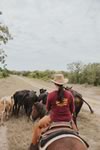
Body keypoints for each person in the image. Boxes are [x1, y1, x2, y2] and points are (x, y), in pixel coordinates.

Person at [30, 74, 78, 149]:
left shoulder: (51, 95)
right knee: (77, 132)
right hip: (68, 119)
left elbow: (48, 108)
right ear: (63, 83)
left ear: (55, 83)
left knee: (38, 127)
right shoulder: (69, 95)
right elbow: (72, 109)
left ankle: (32, 146)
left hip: (53, 119)